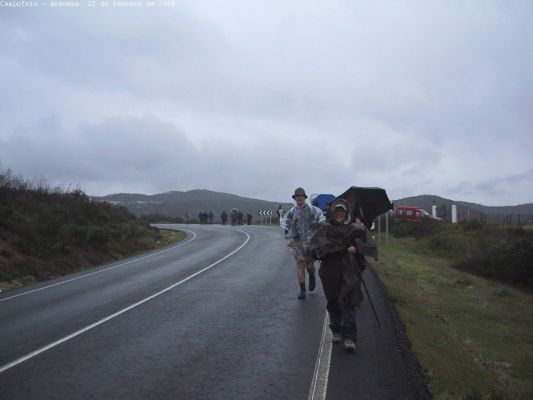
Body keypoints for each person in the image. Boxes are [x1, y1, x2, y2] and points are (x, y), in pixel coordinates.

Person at [309, 198, 377, 352]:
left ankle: (350, 337)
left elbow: (369, 244)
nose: (339, 214)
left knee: (347, 301)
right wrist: (316, 255)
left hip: (348, 269)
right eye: (337, 211)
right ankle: (336, 329)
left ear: (346, 213)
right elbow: (314, 246)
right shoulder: (325, 229)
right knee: (333, 301)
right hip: (330, 271)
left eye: (342, 212)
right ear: (332, 213)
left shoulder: (356, 228)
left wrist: (356, 248)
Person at [281, 187, 325, 300]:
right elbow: (286, 225)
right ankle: (302, 290)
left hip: (311, 242)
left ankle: (311, 275)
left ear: (305, 198)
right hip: (297, 241)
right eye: (297, 196)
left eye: (301, 196)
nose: (299, 198)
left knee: (309, 265)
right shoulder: (292, 212)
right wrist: (288, 239)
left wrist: (320, 233)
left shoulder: (313, 210)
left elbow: (322, 220)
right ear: (295, 198)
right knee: (300, 264)